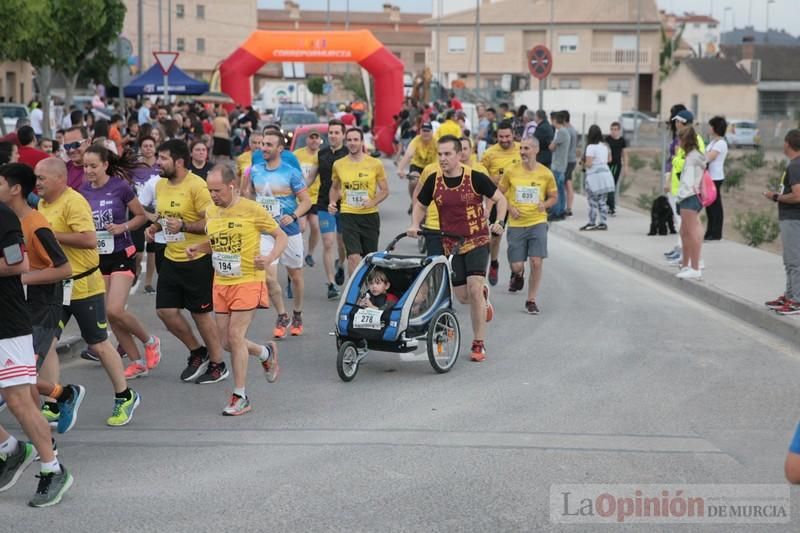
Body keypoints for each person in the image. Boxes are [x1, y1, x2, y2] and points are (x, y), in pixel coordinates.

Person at [35, 157, 140, 426]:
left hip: (84, 285)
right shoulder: (43, 204)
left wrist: (51, 235)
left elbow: (88, 239)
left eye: (41, 178)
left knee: (98, 344)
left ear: (60, 179)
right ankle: (54, 403)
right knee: (46, 344)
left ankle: (125, 396)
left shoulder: (74, 201)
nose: (37, 183)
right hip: (56, 288)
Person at [187, 164, 285, 415]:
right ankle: (265, 352)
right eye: (210, 190)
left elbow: (280, 236)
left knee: (236, 336)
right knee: (225, 342)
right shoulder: (211, 211)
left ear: (231, 187)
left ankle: (240, 396)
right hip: (221, 282)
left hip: (248, 280)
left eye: (217, 190)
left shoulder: (251, 209)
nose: (213, 195)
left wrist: (270, 256)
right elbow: (217, 242)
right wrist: (199, 248)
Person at [0, 163, 86, 436]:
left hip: (43, 306)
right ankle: (63, 395)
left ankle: (46, 446)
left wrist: (20, 278)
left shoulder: (36, 224)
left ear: (15, 190)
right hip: (19, 305)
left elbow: (64, 268)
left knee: (22, 382)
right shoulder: (9, 220)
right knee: (21, 380)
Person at [0, 201, 74, 507]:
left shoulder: (3, 216)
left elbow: (19, 265)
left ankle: (52, 469)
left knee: (18, 399)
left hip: (7, 323)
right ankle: (11, 448)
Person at [409, 134, 507, 363]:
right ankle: (483, 297)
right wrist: (415, 223)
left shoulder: (475, 178)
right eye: (439, 154)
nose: (442, 158)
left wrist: (499, 222)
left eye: (447, 154)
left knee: (473, 288)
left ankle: (478, 343)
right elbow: (420, 205)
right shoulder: (434, 180)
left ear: (459, 154)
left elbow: (501, 200)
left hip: (477, 240)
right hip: (450, 244)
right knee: (463, 297)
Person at [146, 139, 227, 384]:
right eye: (158, 157)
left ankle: (218, 363)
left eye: (163, 158)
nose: (158, 162)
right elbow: (163, 215)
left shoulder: (197, 186)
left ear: (179, 162)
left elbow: (211, 221)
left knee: (200, 315)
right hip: (171, 256)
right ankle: (197, 351)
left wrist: (184, 225)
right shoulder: (160, 185)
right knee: (165, 312)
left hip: (197, 258)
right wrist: (155, 226)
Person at [79, 145, 162, 379]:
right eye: (85, 166)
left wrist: (122, 227)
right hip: (98, 257)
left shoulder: (120, 187)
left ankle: (150, 340)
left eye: (93, 165)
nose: (89, 170)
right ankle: (137, 362)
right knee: (110, 313)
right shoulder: (83, 191)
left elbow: (139, 216)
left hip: (121, 254)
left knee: (115, 309)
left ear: (105, 165)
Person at [242, 130, 311, 339]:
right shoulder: (254, 170)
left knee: (295, 276)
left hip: (289, 231)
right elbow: (248, 194)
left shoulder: (291, 172)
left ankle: (297, 313)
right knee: (268, 275)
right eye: (262, 144)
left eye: (269, 145)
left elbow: (306, 201)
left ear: (280, 149)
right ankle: (282, 315)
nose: (263, 148)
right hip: (265, 231)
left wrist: (293, 215)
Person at [499, 138, 558, 314]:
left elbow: (554, 197)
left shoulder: (546, 173)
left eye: (527, 148)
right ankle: (518, 274)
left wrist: (544, 205)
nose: (523, 152)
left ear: (536, 150)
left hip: (537, 221)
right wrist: (510, 208)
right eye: (521, 148)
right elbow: (499, 194)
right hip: (516, 223)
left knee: (536, 261)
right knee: (516, 265)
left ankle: (531, 299)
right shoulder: (511, 171)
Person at [328, 128, 390, 276]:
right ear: (345, 142)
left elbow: (385, 190)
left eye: (356, 140)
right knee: (353, 257)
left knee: (370, 258)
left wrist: (373, 202)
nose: (352, 143)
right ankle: (354, 295)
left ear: (362, 142)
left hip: (369, 216)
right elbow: (335, 188)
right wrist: (332, 202)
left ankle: (368, 292)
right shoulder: (338, 164)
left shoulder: (375, 164)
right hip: (348, 214)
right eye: (349, 140)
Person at [763, 129, 800, 315]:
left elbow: (797, 195)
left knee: (794, 261)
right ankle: (790, 295)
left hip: (793, 218)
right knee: (789, 260)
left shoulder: (795, 166)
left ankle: (797, 300)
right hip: (790, 218)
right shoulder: (794, 164)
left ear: (787, 144)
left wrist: (776, 196)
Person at [480, 120, 520, 286]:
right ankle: (494, 262)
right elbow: (480, 176)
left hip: (519, 202)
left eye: (507, 136)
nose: (504, 140)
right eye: (501, 137)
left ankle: (517, 271)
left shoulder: (521, 149)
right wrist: (491, 179)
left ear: (513, 135)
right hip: (497, 201)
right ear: (496, 136)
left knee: (516, 240)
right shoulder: (489, 153)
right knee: (496, 237)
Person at [664, 107, 705, 264]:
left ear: (682, 123)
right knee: (682, 225)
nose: (675, 124)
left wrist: (675, 158)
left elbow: (689, 163)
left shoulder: (694, 140)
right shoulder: (685, 139)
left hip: (689, 189)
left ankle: (694, 260)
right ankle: (685, 256)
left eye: (677, 122)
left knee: (688, 226)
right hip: (680, 187)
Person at [315, 120, 349, 299]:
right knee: (328, 243)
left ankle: (341, 264)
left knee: (342, 243)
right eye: (331, 132)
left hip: (345, 205)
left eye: (337, 132)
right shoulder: (321, 154)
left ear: (343, 135)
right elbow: (312, 176)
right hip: (324, 203)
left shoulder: (348, 154)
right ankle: (330, 284)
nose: (333, 135)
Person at [674, 127, 706, 280]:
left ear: (685, 141)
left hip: (689, 197)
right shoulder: (697, 156)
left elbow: (687, 181)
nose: (679, 143)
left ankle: (694, 267)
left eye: (680, 139)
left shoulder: (691, 158)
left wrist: (680, 195)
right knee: (684, 232)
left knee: (690, 233)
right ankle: (687, 265)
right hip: (695, 196)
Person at [579, 125, 615, 231]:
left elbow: (589, 164)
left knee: (592, 201)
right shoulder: (605, 146)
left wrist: (582, 163)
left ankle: (592, 222)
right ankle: (603, 222)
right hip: (605, 175)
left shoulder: (590, 147)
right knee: (602, 200)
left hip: (594, 176)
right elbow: (609, 160)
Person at [294, 131, 322, 268]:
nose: (314, 141)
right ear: (307, 140)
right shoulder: (297, 154)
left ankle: (309, 254)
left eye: (317, 139)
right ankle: (298, 251)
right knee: (302, 227)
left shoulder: (321, 155)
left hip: (316, 197)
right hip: (300, 197)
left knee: (316, 226)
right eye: (311, 138)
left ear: (320, 141)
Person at [397, 122, 437, 212]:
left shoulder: (436, 141)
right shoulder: (416, 140)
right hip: (417, 166)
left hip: (431, 167)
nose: (426, 133)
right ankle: (413, 201)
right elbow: (408, 154)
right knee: (414, 180)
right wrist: (400, 168)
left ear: (432, 132)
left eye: (428, 131)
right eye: (424, 130)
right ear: (420, 131)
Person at [704, 116, 728, 241]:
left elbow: (709, 157)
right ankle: (710, 231)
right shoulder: (713, 142)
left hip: (715, 177)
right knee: (709, 205)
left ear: (715, 128)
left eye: (710, 126)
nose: (709, 128)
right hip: (709, 177)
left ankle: (716, 232)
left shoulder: (721, 143)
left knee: (715, 205)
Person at [547, 111, 569, 221]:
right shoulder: (565, 131)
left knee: (556, 191)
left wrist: (552, 142)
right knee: (560, 190)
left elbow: (551, 147)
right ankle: (561, 210)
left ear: (555, 120)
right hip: (561, 166)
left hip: (558, 166)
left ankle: (557, 212)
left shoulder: (561, 132)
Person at [605, 121, 628, 216]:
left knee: (611, 185)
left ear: (619, 131)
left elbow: (625, 154)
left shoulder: (622, 141)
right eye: (612, 129)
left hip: (616, 165)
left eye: (615, 129)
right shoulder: (607, 139)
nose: (613, 131)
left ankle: (611, 207)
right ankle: (607, 203)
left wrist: (626, 167)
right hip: (607, 165)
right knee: (607, 185)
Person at [562, 110, 578, 216]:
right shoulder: (573, 129)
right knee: (568, 182)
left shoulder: (567, 131)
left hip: (567, 160)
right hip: (572, 159)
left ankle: (568, 208)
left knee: (567, 183)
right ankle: (568, 207)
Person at [62, 126, 88, 191]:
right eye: (67, 146)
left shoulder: (101, 169)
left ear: (88, 141)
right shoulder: (64, 169)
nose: (71, 150)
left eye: (76, 144)